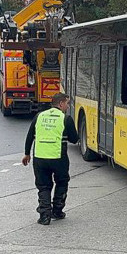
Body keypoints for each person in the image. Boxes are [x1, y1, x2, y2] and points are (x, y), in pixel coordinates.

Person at [22, 93, 79, 225]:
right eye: (67, 103)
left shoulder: (39, 116)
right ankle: (57, 211)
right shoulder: (66, 118)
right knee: (62, 182)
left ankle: (44, 216)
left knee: (43, 186)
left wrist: (27, 154)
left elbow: (30, 136)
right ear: (60, 104)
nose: (68, 106)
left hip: (40, 158)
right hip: (58, 158)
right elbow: (75, 139)